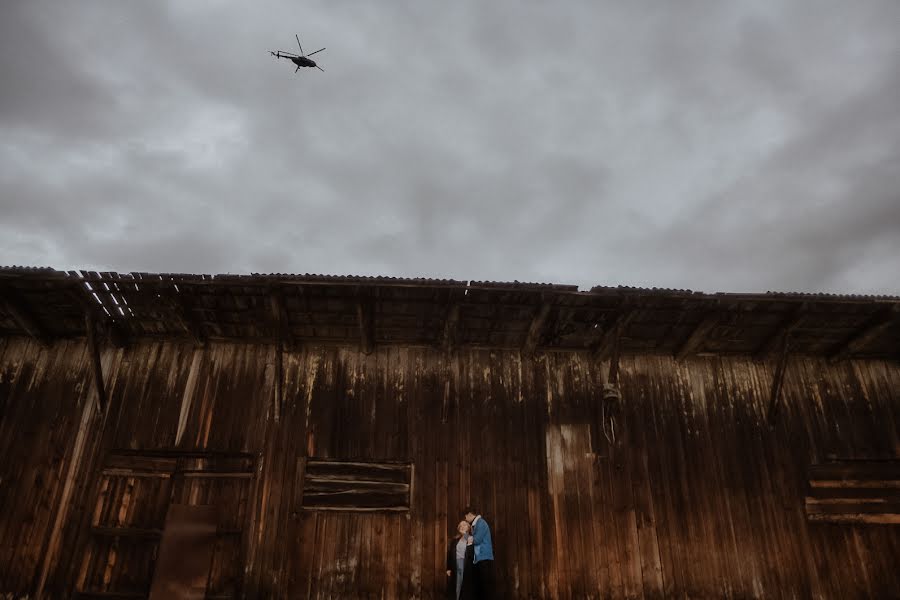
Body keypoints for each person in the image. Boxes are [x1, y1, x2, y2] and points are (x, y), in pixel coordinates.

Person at [463, 506, 494, 599]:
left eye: (465, 517)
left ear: (469, 514)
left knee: (485, 585)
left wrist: (464, 534)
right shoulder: (475, 524)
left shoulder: (480, 523)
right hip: (478, 558)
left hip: (484, 558)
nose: (465, 519)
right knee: (479, 585)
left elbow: (477, 540)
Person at [445, 519, 475, 599]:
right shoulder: (454, 540)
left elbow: (471, 553)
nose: (462, 526)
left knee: (465, 589)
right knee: (455, 588)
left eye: (464, 525)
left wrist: (465, 535)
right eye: (460, 526)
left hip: (466, 567)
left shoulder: (471, 538)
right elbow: (450, 554)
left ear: (468, 528)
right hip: (455, 567)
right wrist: (448, 568)